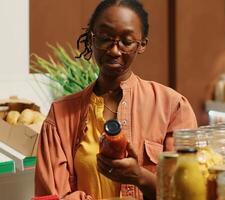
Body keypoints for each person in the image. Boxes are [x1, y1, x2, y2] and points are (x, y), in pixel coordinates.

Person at [34, 0, 197, 199]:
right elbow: (51, 195)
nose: (114, 51)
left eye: (126, 42)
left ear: (142, 44)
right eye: (104, 38)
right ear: (91, 39)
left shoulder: (172, 107)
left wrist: (140, 177)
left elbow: (187, 193)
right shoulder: (60, 116)